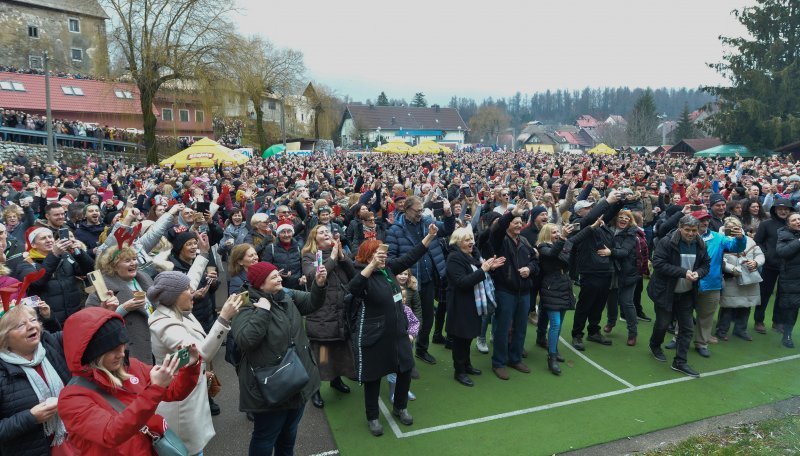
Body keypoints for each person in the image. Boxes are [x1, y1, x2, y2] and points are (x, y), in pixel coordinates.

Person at [57, 307, 201, 455]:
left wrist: (190, 367)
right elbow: (111, 433)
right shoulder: (72, 398)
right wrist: (155, 389)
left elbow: (175, 392)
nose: (121, 354)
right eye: (113, 350)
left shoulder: (131, 366)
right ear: (92, 354)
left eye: (123, 345)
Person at [348, 225, 439, 437]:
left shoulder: (388, 270)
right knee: (373, 378)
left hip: (398, 332)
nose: (385, 257)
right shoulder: (363, 274)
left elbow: (410, 257)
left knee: (405, 368)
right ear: (369, 256)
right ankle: (372, 417)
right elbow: (353, 289)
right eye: (380, 254)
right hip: (374, 335)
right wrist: (371, 265)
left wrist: (430, 236)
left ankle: (400, 407)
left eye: (385, 254)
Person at [231, 261, 328, 455]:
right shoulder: (245, 304)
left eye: (278, 275)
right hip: (270, 386)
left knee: (289, 433)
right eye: (273, 277)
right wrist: (263, 311)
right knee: (265, 437)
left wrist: (319, 284)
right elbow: (246, 340)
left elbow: (312, 303)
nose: (279, 279)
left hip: (296, 378)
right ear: (260, 283)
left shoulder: (285, 294)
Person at [148, 271, 243, 454]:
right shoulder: (164, 324)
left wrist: (203, 254)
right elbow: (200, 354)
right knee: (187, 450)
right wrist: (223, 318)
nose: (193, 291)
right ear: (173, 296)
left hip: (190, 393)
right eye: (187, 289)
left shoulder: (180, 312)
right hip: (180, 405)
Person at [385, 196, 455, 366]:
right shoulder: (395, 230)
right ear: (406, 209)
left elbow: (446, 229)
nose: (420, 214)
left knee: (428, 318)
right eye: (417, 211)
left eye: (422, 210)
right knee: (407, 320)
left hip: (428, 278)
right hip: (408, 283)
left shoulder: (426, 222)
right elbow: (391, 260)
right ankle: (403, 355)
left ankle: (421, 349)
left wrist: (448, 214)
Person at [0, 301, 72, 455]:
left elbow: (87, 333)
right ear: (4, 338)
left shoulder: (51, 345)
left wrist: (110, 310)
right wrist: (30, 418)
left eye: (33, 320)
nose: (31, 326)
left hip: (75, 442)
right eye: (20, 325)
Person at [300, 225, 356, 409]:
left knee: (339, 349)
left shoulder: (339, 253)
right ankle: (315, 389)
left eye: (328, 232)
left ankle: (336, 380)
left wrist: (342, 256)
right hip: (322, 314)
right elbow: (313, 276)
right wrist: (332, 258)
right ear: (314, 238)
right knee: (321, 356)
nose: (327, 234)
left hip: (340, 312)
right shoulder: (309, 255)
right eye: (322, 232)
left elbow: (353, 274)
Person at [648, 215, 711, 377]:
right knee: (663, 324)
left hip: (687, 294)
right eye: (688, 230)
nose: (691, 233)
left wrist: (699, 273)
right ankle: (655, 345)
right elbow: (659, 264)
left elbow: (706, 265)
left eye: (694, 230)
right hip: (665, 291)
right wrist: (684, 273)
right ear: (680, 228)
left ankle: (680, 361)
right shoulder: (667, 242)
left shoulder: (700, 244)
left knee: (687, 328)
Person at [445, 227, 504, 387]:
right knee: (460, 339)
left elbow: (478, 270)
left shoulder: (473, 254)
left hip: (472, 304)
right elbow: (462, 282)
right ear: (458, 242)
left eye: (471, 238)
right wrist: (483, 270)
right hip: (460, 305)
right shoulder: (454, 258)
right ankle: (459, 371)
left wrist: (489, 267)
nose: (471, 242)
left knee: (468, 336)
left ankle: (467, 365)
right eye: (467, 240)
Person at [488, 202, 539, 380]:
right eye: (515, 222)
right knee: (502, 328)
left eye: (520, 222)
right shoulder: (499, 240)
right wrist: (511, 213)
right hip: (505, 291)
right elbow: (496, 230)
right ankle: (499, 362)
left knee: (521, 327)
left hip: (524, 292)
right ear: (508, 223)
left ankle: (515, 358)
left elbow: (535, 261)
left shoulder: (524, 241)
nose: (518, 225)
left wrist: (530, 270)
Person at [14, 226, 94, 327]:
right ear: (33, 244)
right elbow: (37, 282)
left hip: (74, 315)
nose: (49, 240)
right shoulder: (25, 264)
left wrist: (79, 253)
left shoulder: (66, 256)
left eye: (50, 237)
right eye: (43, 238)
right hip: (49, 319)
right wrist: (55, 254)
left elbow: (89, 270)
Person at [536, 223, 576, 375]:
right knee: (555, 323)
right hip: (550, 287)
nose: (557, 234)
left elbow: (577, 238)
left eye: (558, 232)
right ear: (546, 234)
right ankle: (551, 357)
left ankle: (554, 348)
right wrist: (563, 237)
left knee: (558, 324)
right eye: (554, 232)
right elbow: (552, 253)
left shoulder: (562, 244)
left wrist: (593, 225)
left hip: (564, 285)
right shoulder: (542, 247)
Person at [717, 217, 764, 341]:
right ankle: (721, 330)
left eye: (736, 227)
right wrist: (731, 269)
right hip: (731, 278)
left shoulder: (749, 240)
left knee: (746, 305)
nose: (733, 229)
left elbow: (759, 254)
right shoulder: (721, 240)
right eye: (730, 227)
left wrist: (756, 262)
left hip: (749, 278)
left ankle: (740, 330)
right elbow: (719, 259)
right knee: (728, 306)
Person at [754, 198, 795, 334]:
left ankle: (777, 321)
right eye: (780, 209)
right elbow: (758, 242)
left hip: (788, 266)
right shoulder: (766, 224)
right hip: (769, 265)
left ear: (790, 211)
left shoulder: (794, 226)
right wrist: (766, 255)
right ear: (775, 210)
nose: (783, 211)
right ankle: (758, 320)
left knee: (783, 295)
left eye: (786, 209)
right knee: (764, 293)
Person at [602, 209, 642, 346]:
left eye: (627, 218)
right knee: (611, 300)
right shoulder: (607, 229)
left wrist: (610, 252)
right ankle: (611, 321)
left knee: (626, 302)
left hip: (628, 273)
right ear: (615, 218)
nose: (624, 219)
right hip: (611, 272)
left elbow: (624, 252)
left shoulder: (631, 234)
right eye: (621, 217)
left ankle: (633, 333)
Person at [775, 212, 800, 348]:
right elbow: (783, 252)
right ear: (788, 224)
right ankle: (787, 335)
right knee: (792, 308)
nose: (798, 222)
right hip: (791, 278)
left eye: (799, 219)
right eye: (794, 220)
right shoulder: (783, 235)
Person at [262, 220, 305, 291]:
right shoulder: (271, 248)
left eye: (289, 231)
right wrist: (277, 274)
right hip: (279, 286)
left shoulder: (298, 247)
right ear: (278, 234)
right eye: (283, 232)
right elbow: (266, 268)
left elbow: (303, 265)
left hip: (297, 286)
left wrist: (303, 277)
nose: (286, 235)